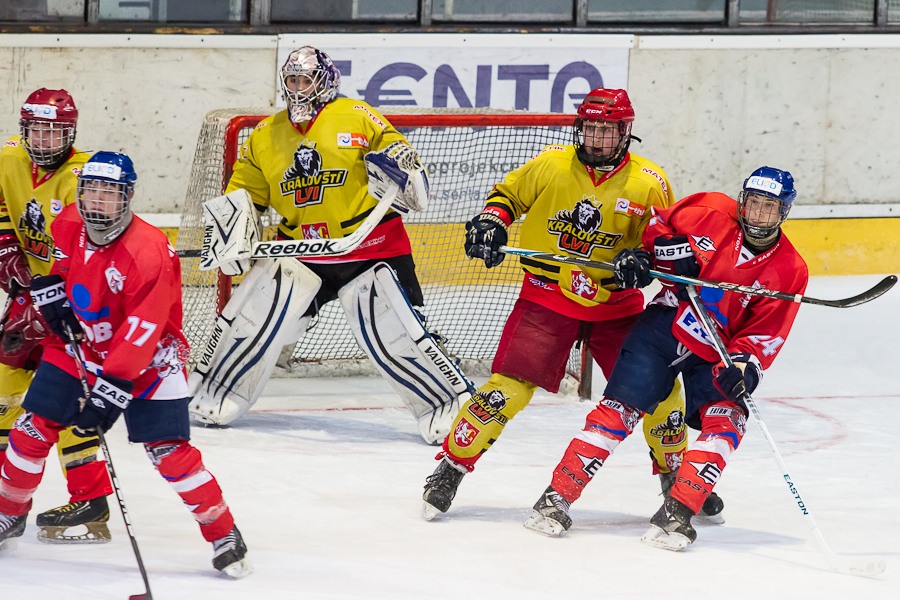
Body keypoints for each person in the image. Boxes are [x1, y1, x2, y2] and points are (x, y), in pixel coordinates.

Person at [421, 88, 723, 523]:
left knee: (662, 393)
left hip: (615, 305)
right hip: (547, 296)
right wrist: (491, 221)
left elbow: (663, 242)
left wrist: (644, 260)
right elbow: (507, 198)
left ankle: (675, 476)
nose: (597, 139)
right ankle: (450, 467)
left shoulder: (648, 181)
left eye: (607, 130)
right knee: (506, 390)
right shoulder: (551, 164)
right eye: (591, 128)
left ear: (626, 132)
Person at [188, 45, 470, 444]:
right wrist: (230, 235)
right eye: (292, 80)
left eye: (306, 80)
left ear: (325, 81)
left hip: (372, 246)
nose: (298, 88)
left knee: (398, 333)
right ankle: (217, 393)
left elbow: (400, 155)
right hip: (302, 252)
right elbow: (244, 194)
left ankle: (449, 406)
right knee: (255, 318)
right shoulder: (265, 135)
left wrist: (403, 169)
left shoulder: (357, 115)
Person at [524, 166, 808, 549]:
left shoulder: (790, 269)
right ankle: (555, 499)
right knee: (618, 410)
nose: (757, 213)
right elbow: (656, 227)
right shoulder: (709, 209)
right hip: (666, 324)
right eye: (753, 202)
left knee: (728, 421)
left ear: (783, 211)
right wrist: (661, 253)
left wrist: (744, 366)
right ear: (742, 200)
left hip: (720, 349)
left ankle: (678, 511)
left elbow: (766, 331)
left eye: (768, 207)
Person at [0, 151, 251, 577]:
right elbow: (61, 267)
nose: (98, 200)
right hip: (82, 345)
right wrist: (53, 294)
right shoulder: (68, 222)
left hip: (150, 359)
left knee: (169, 453)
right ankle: (9, 513)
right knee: (30, 431)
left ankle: (223, 533)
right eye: (91, 190)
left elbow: (142, 330)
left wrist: (109, 392)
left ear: (128, 196)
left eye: (109, 192)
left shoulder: (149, 252)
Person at [0, 88, 113, 543]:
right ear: (24, 130)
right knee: (4, 388)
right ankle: (8, 496)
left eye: (54, 132)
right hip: (30, 294)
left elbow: (92, 248)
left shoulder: (83, 177)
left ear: (71, 133)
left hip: (72, 301)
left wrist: (59, 302)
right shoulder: (8, 157)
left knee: (67, 399)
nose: (44, 141)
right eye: (37, 131)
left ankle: (91, 498)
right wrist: (6, 250)